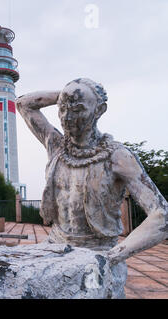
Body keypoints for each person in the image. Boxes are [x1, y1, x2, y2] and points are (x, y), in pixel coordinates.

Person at [16, 78, 167, 266]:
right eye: (62, 109)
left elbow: (162, 215)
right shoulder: (56, 145)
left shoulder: (116, 156)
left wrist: (113, 256)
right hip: (53, 246)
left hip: (97, 253)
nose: (67, 118)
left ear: (99, 110)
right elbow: (23, 104)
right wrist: (66, 95)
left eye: (77, 109)